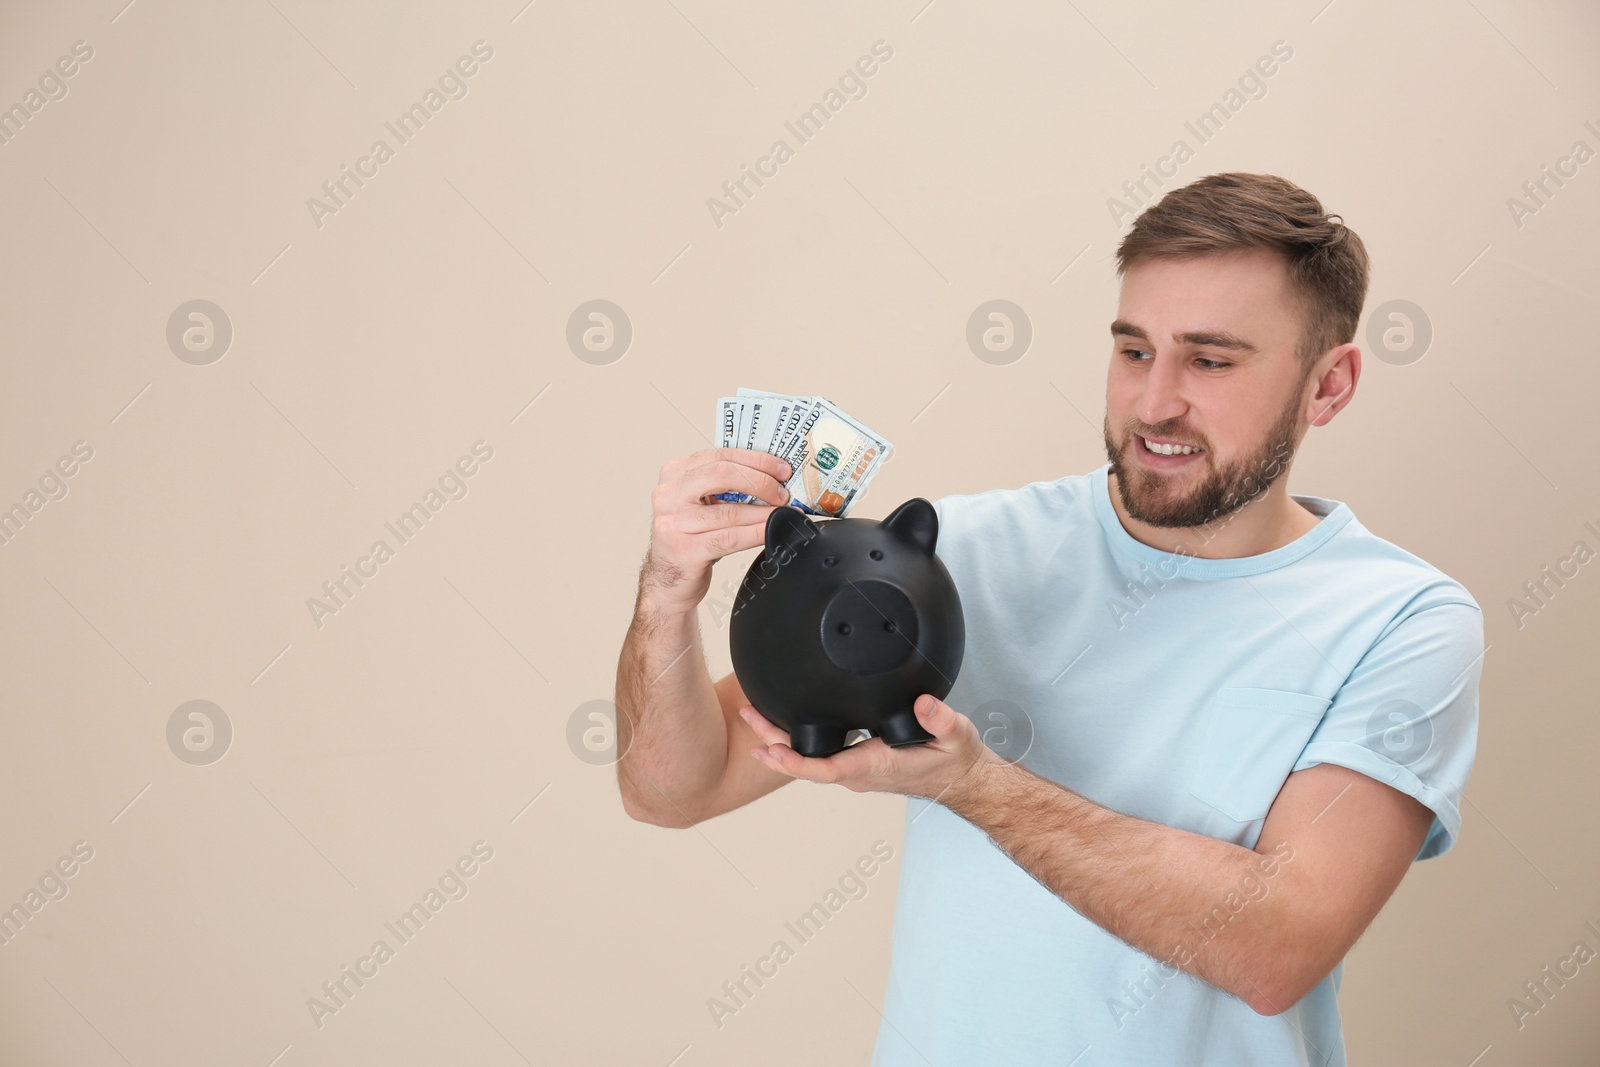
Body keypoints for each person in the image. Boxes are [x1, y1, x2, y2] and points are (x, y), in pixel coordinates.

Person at [614, 172, 1483, 1066]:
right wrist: (665, 597)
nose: (1155, 403)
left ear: (1328, 385)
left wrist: (974, 784)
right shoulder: (955, 555)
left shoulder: (1403, 621)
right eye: (1134, 350)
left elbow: (1276, 947)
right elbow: (675, 787)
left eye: (1211, 360)